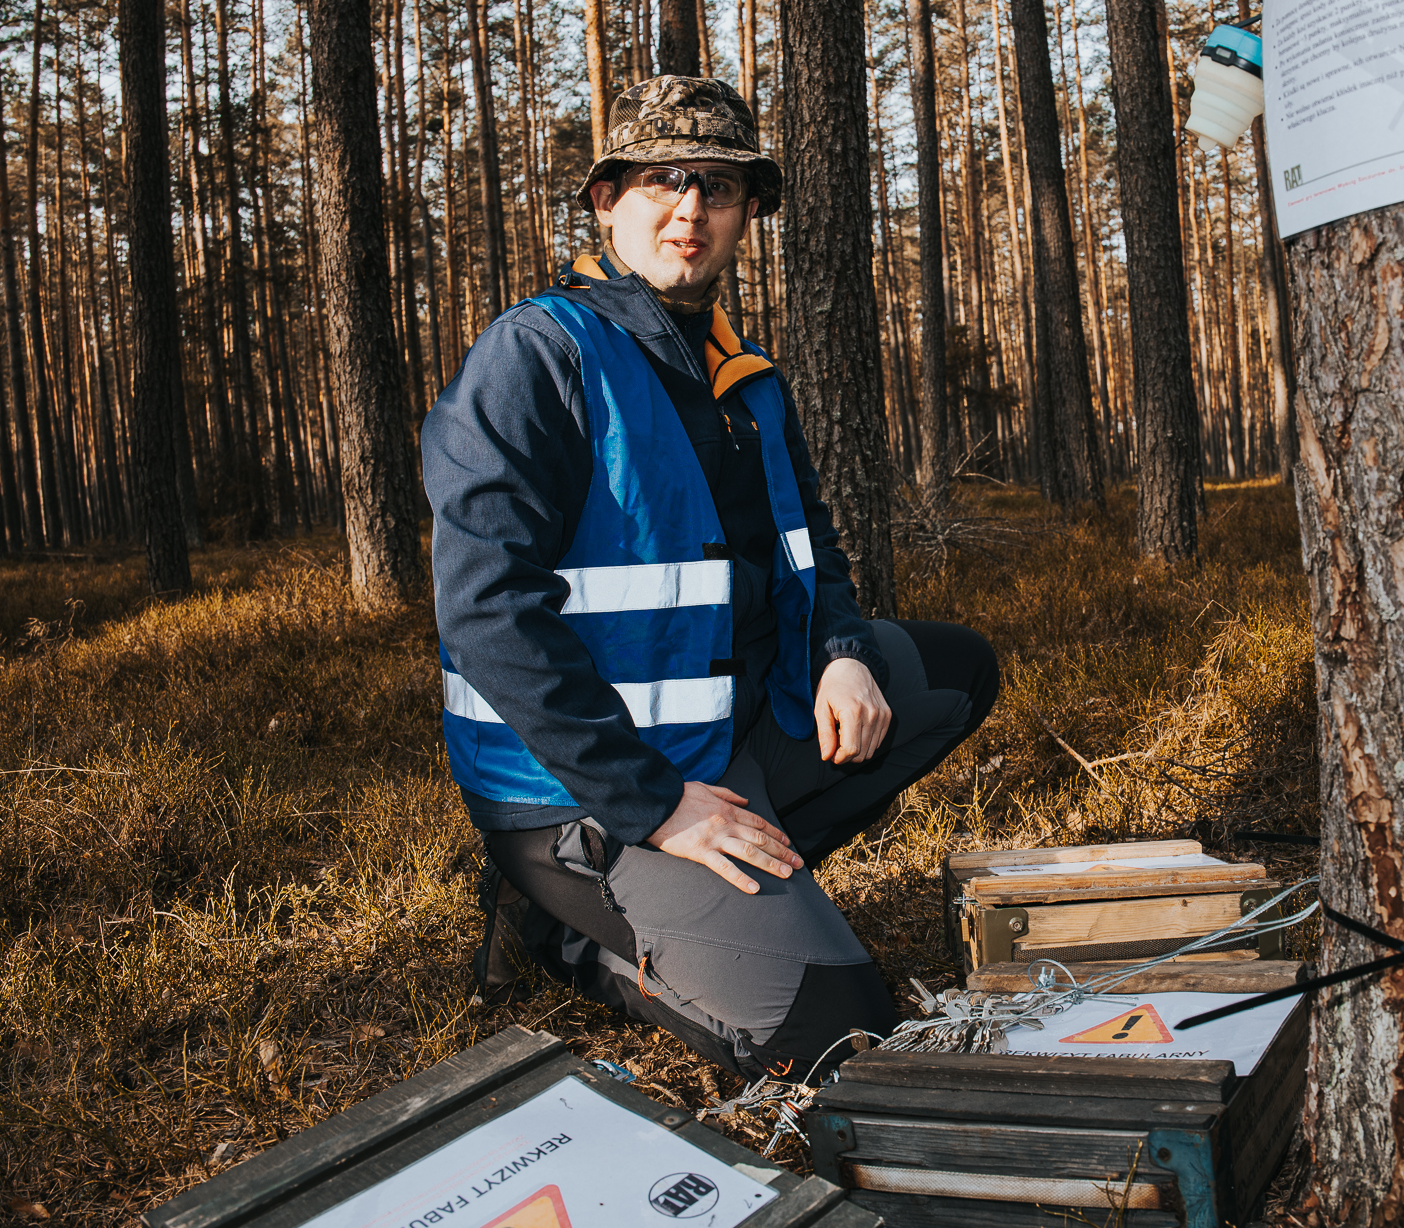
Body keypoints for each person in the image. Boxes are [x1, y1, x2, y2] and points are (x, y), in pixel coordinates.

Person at [422, 77, 997, 1078]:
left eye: (719, 188)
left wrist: (842, 652)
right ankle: (573, 932)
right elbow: (485, 610)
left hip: (722, 738)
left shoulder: (742, 373)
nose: (690, 209)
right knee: (841, 1036)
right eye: (662, 181)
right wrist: (654, 806)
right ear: (607, 200)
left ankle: (740, 867)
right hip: (586, 792)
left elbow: (806, 544)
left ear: (747, 213)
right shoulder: (539, 354)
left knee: (949, 673)